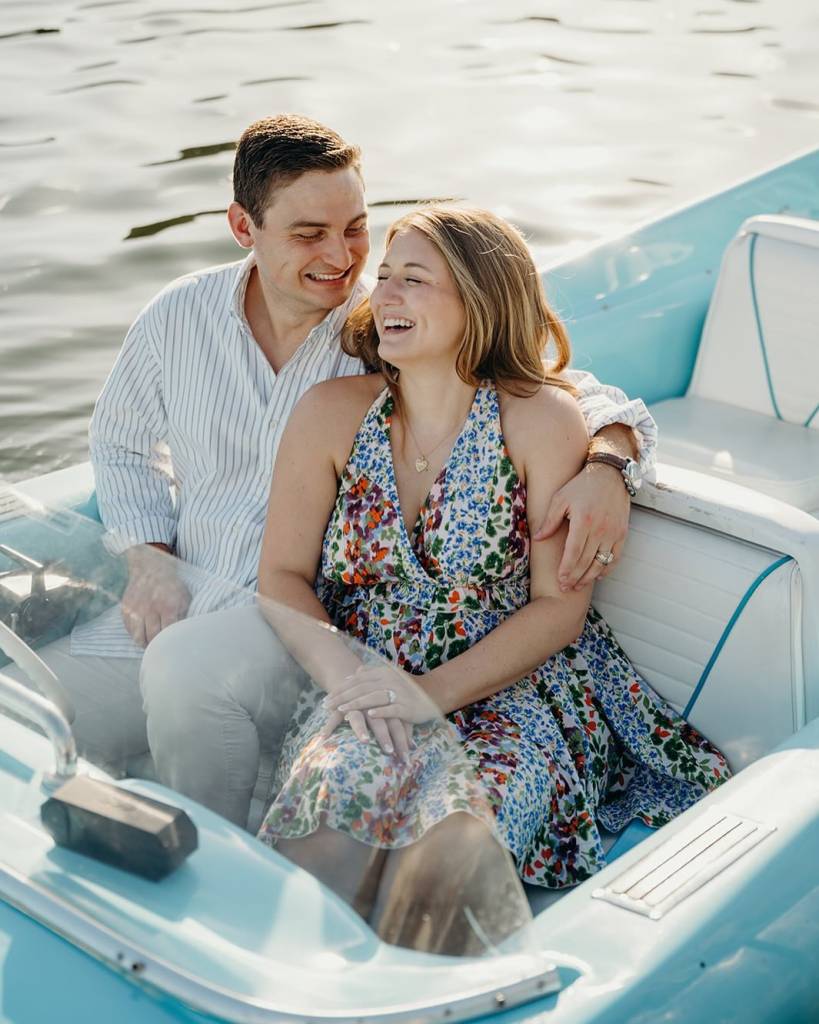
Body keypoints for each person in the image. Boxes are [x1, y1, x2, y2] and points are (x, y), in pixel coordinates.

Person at [7, 115, 657, 829]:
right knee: (26, 715)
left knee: (186, 674)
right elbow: (122, 443)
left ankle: (215, 851)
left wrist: (607, 460)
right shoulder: (176, 316)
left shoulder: (386, 327)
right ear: (242, 226)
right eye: (308, 233)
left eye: (354, 228)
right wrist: (148, 559)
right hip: (180, 597)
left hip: (304, 623)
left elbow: (557, 387)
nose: (342, 257)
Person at [255, 206, 729, 953]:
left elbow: (556, 611)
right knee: (324, 838)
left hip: (515, 688)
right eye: (384, 278)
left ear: (478, 298)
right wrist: (349, 677)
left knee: (442, 861)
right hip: (367, 681)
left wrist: (429, 697)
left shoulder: (539, 419)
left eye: (414, 279)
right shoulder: (330, 414)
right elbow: (280, 576)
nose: (385, 295)